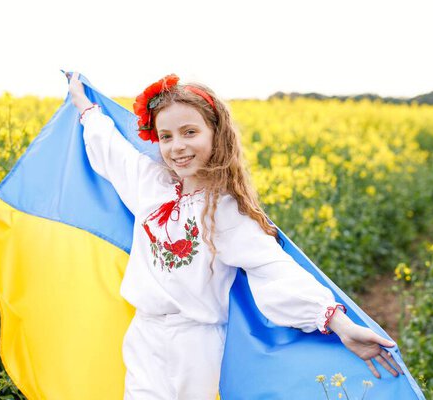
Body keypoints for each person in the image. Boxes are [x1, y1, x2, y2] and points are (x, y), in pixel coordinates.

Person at [66, 71, 404, 399]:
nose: (177, 146)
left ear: (216, 135)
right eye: (166, 136)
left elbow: (272, 269)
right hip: (144, 333)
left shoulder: (224, 211)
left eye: (189, 132)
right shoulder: (150, 185)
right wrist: (86, 106)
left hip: (196, 344)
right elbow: (112, 153)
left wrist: (339, 323)